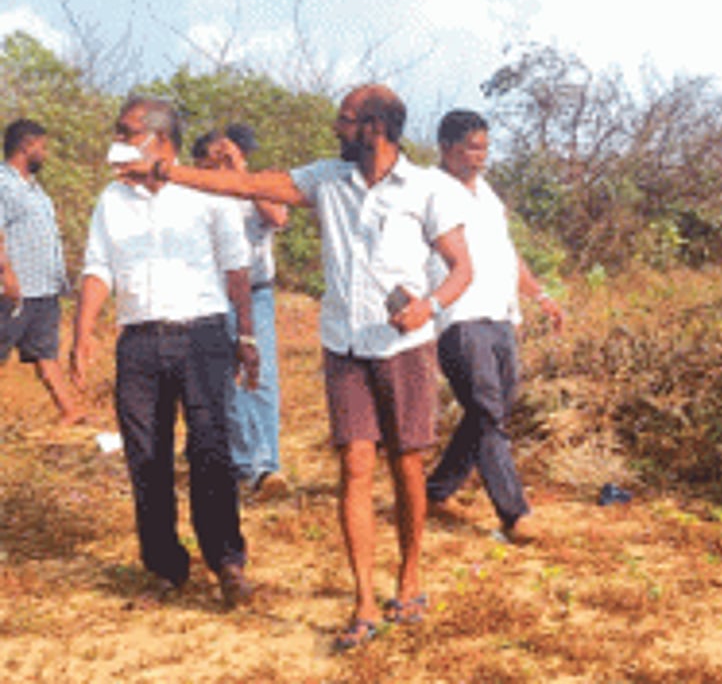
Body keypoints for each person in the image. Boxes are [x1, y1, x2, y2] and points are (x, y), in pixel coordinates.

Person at [118, 85, 473, 651]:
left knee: (407, 467)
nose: (336, 126)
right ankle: (362, 599)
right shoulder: (326, 179)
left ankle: (409, 578)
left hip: (405, 347)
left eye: (346, 119)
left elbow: (460, 268)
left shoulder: (428, 188)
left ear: (375, 127)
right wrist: (166, 171)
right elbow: (246, 184)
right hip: (345, 346)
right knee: (355, 467)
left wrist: (427, 305)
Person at [71, 96, 259, 608]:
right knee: (146, 457)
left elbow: (236, 269)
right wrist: (83, 332)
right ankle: (166, 568)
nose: (119, 141)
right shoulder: (112, 200)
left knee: (209, 448)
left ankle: (226, 560)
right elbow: (98, 267)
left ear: (160, 141)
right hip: (139, 342)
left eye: (127, 132)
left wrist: (247, 336)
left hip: (201, 334)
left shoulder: (204, 193)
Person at [426, 109, 564, 544]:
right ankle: (514, 513)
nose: (480, 156)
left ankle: (437, 489)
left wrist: (539, 295)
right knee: (487, 410)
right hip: (458, 317)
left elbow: (507, 253)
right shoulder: (430, 191)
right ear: (446, 148)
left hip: (500, 313)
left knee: (496, 406)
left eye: (484, 147)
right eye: (471, 147)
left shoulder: (486, 193)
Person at [192, 125, 289, 500]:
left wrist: (240, 174)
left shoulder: (257, 185)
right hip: (213, 294)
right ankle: (247, 462)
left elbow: (277, 218)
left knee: (260, 377)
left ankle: (267, 465)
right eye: (218, 158)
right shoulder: (197, 192)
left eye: (234, 155)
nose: (229, 162)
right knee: (221, 381)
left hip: (256, 292)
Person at [0, 118, 85, 425]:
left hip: (43, 288)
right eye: (42, 147)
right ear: (26, 145)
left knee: (45, 353)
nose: (45, 153)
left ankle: (70, 411)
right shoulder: (3, 183)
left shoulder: (35, 190)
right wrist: (6, 275)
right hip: (14, 290)